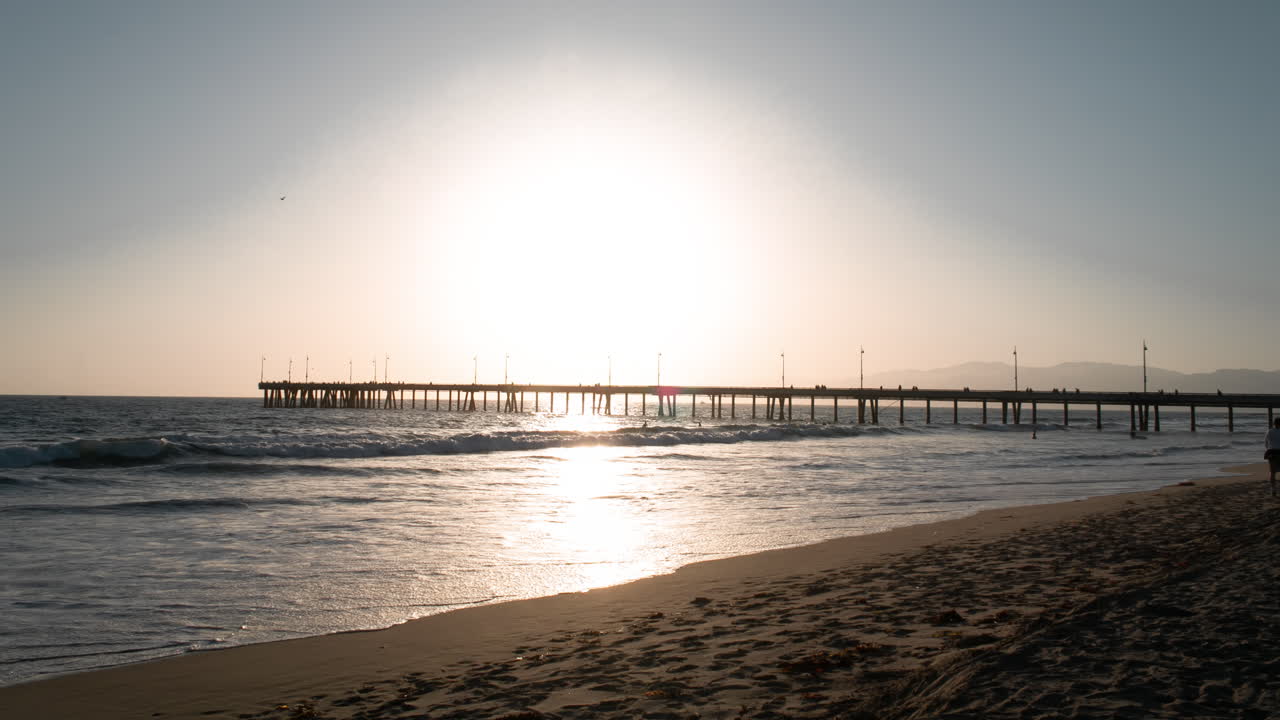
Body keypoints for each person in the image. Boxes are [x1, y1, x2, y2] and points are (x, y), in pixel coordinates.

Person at [1266, 418, 1280, 497]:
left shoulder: (1269, 431)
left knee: (1272, 472)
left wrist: (1269, 448)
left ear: (1274, 423)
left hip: (1272, 453)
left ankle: (1273, 489)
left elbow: (1266, 443)